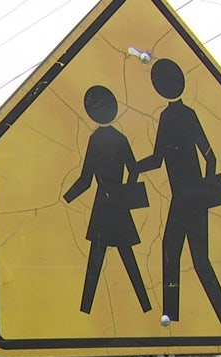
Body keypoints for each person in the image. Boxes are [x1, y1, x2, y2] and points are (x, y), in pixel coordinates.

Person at [136, 58, 221, 324]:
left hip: (186, 198)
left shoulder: (175, 116)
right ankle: (214, 316)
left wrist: (133, 167)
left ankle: (175, 318)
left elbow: (163, 159)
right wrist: (204, 190)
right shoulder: (178, 115)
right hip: (189, 199)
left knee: (180, 254)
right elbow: (205, 157)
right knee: (191, 256)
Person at [63, 84, 153, 315]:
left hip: (104, 204)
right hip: (118, 203)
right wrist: (127, 191)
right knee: (121, 256)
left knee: (98, 260)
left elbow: (86, 179)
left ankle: (86, 309)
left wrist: (66, 199)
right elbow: (133, 169)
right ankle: (145, 306)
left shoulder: (97, 139)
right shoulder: (120, 138)